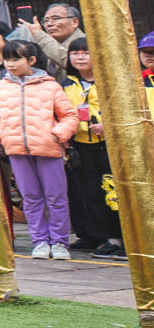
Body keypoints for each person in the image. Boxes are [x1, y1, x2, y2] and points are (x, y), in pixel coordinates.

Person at [0, 39, 78, 260]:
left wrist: (58, 134)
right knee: (30, 197)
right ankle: (39, 241)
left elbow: (69, 115)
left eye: (16, 58)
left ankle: (59, 242)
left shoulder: (50, 85)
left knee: (56, 197)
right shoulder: (0, 87)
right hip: (16, 149)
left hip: (49, 149)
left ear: (32, 60)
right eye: (7, 59)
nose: (10, 64)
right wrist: (0, 136)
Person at [61, 37, 125, 258]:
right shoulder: (66, 84)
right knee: (90, 194)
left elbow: (126, 109)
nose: (80, 57)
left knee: (115, 193)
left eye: (86, 52)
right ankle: (104, 238)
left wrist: (109, 125)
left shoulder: (112, 80)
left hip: (110, 145)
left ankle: (123, 237)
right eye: (75, 53)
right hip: (80, 146)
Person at [25, 3, 81, 80]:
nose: (49, 24)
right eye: (46, 20)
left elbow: (70, 62)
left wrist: (39, 35)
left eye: (55, 19)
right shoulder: (44, 45)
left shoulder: (88, 42)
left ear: (74, 22)